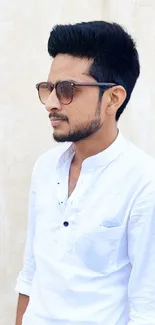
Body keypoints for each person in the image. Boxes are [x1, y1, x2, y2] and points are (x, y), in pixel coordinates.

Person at [15, 21, 155, 325]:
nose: (51, 103)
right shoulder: (45, 167)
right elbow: (31, 272)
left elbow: (147, 308)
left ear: (113, 98)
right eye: (48, 88)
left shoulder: (144, 182)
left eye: (66, 90)